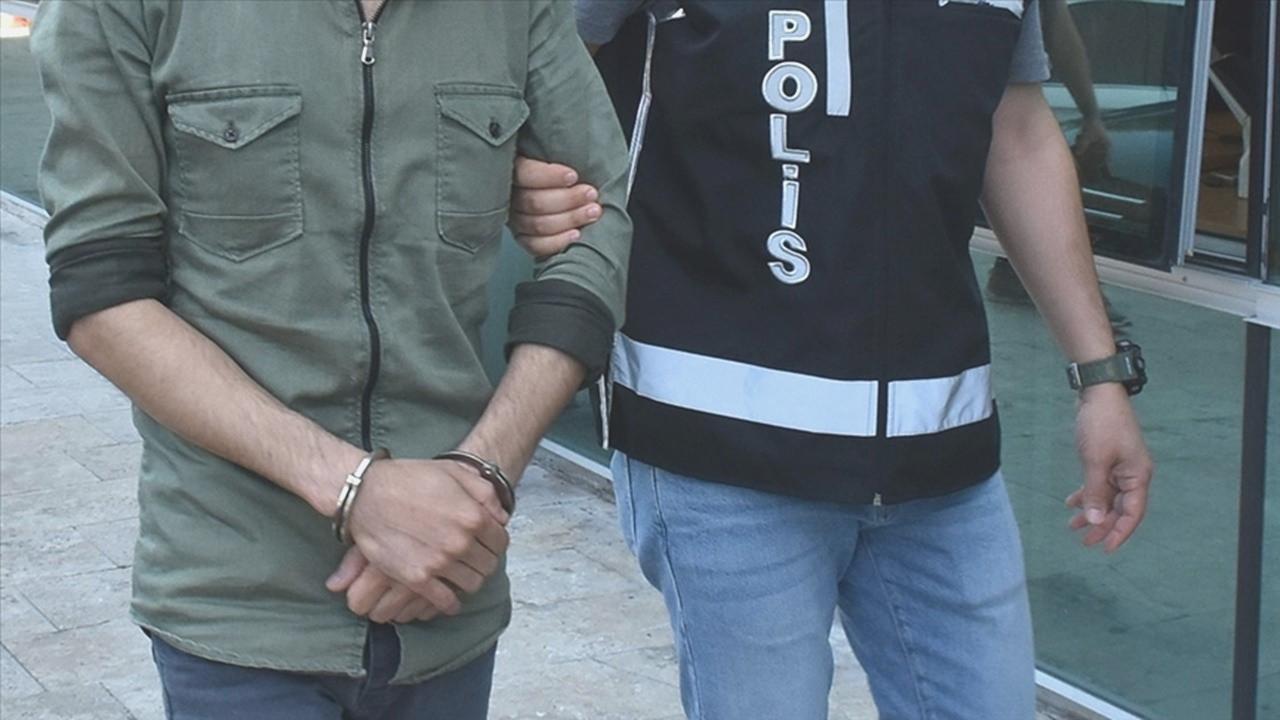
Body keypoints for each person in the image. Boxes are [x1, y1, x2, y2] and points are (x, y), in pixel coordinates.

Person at [510, 1, 1155, 718]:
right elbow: (533, 69)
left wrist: (1101, 377)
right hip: (722, 449)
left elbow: (1018, 132)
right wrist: (525, 176)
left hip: (941, 457)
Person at [31, 0, 630, 717]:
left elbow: (601, 221)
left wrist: (483, 473)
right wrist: (357, 490)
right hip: (239, 604)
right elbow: (100, 292)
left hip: (449, 591)